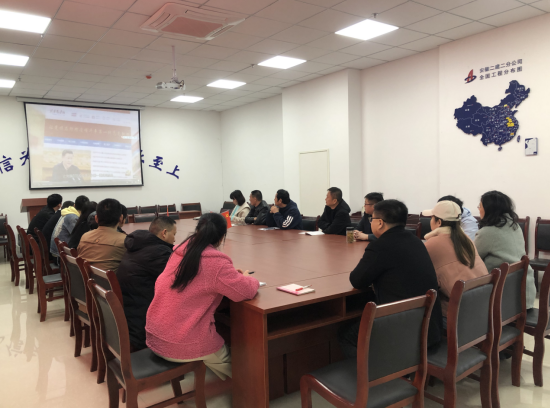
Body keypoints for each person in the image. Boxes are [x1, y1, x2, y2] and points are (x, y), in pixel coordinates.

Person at [146, 213, 259, 380]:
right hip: (178, 343)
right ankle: (250, 388)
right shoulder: (216, 262)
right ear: (221, 237)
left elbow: (198, 278)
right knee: (241, 364)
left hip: (156, 336)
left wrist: (229, 276)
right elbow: (246, 291)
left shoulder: (180, 251)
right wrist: (248, 278)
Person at [340, 199, 443, 357]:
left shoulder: (380, 246)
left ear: (380, 223)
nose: (371, 222)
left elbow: (357, 280)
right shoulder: (416, 241)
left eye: (372, 219)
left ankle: (378, 370)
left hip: (403, 333)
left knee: (345, 336)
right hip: (430, 328)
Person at [117, 216, 177, 351]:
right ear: (164, 233)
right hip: (142, 325)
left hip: (130, 311)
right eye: (174, 234)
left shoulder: (137, 245)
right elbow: (179, 279)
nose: (174, 239)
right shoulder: (159, 252)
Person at [423, 200, 488, 318]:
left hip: (458, 315)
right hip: (483, 307)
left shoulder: (432, 244)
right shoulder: (466, 239)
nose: (430, 221)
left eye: (432, 217)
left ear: (439, 222)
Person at [474, 191, 536, 308]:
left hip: (506, 298)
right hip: (526, 292)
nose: (479, 209)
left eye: (480, 206)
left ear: (489, 209)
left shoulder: (488, 232)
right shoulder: (515, 226)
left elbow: (473, 259)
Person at [78, 198, 126, 273]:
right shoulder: (124, 241)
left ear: (96, 218)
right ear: (121, 218)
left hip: (85, 279)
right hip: (111, 280)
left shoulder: (85, 237)